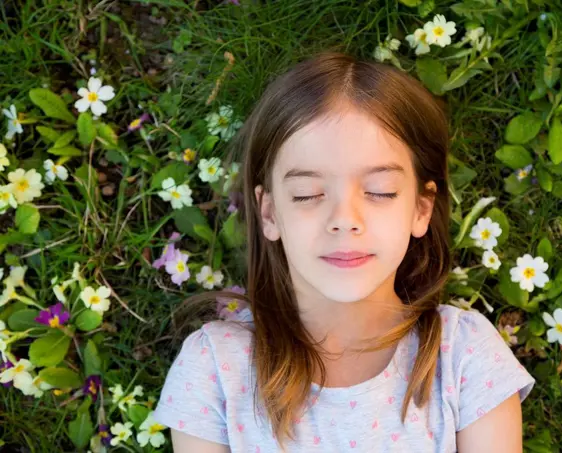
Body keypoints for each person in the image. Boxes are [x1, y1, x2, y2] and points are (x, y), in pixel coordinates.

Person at [152, 50, 535, 452]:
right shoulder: (215, 368)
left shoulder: (463, 356)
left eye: (379, 192)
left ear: (421, 209)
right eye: (308, 194)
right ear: (269, 213)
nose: (345, 219)